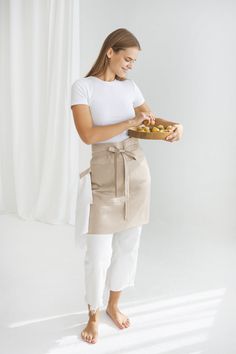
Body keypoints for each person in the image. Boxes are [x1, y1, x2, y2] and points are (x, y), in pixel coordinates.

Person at [71, 28, 183, 344]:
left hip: (136, 171)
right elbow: (88, 135)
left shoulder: (130, 87)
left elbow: (150, 119)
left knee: (128, 245)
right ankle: (92, 313)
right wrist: (128, 123)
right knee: (98, 253)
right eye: (127, 59)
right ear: (111, 51)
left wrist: (176, 126)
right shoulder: (82, 87)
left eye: (134, 62)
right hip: (104, 173)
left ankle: (113, 305)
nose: (130, 66)